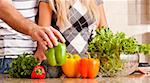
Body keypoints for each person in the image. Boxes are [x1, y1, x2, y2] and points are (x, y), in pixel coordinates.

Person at [0, 0, 65, 73]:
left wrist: (41, 47)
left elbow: (45, 2)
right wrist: (33, 29)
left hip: (31, 57)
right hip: (5, 56)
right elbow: (2, 6)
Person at [36, 0, 107, 59]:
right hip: (60, 64)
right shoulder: (50, 1)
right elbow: (43, 36)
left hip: (87, 64)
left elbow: (104, 32)